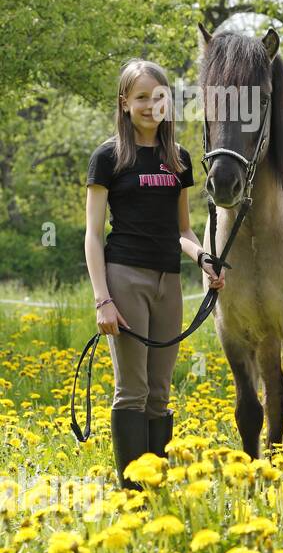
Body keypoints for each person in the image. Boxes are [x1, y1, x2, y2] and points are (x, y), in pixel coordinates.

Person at [85, 59, 225, 489]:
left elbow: (182, 230)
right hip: (125, 277)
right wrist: (103, 299)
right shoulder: (108, 157)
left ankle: (154, 487)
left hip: (169, 283)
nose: (150, 105)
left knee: (160, 392)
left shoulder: (178, 159)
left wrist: (203, 257)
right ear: (125, 103)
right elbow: (92, 235)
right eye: (141, 97)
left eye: (158, 96)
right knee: (133, 390)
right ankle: (132, 492)